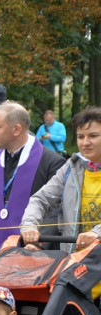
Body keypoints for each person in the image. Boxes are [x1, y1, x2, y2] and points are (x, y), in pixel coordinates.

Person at [0, 101, 64, 270]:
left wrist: (40, 243)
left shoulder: (52, 163)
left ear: (16, 129)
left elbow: (55, 213)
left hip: (33, 256)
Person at [19, 107, 101, 253]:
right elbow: (40, 199)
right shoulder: (71, 167)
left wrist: (97, 232)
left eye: (93, 136)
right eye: (81, 137)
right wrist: (29, 226)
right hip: (76, 265)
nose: (85, 142)